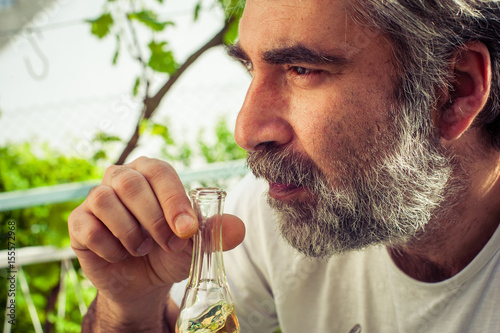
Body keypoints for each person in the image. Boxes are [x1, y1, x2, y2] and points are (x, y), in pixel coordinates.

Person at [68, 0, 500, 332]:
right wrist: (131, 307)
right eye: (250, 68)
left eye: (301, 69)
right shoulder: (275, 209)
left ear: (452, 90)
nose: (246, 129)